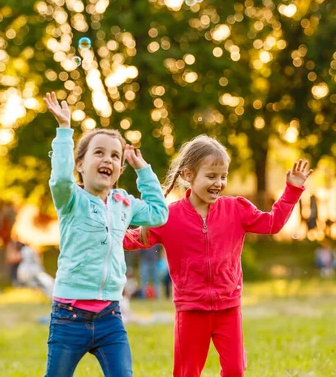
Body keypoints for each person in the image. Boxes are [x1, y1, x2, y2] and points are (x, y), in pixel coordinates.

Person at [123, 135, 312, 377]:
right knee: (186, 372)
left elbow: (272, 224)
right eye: (211, 176)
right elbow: (133, 239)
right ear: (188, 175)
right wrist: (99, 229)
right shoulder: (168, 217)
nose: (219, 183)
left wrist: (292, 190)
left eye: (223, 176)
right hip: (190, 310)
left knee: (234, 370)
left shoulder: (236, 209)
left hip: (228, 308)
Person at [43, 92, 168, 377]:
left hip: (110, 315)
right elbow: (60, 178)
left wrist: (143, 170)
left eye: (114, 156)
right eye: (98, 152)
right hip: (68, 315)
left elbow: (159, 213)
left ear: (119, 169)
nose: (107, 160)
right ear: (79, 164)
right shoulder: (70, 199)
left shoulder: (123, 203)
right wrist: (64, 130)